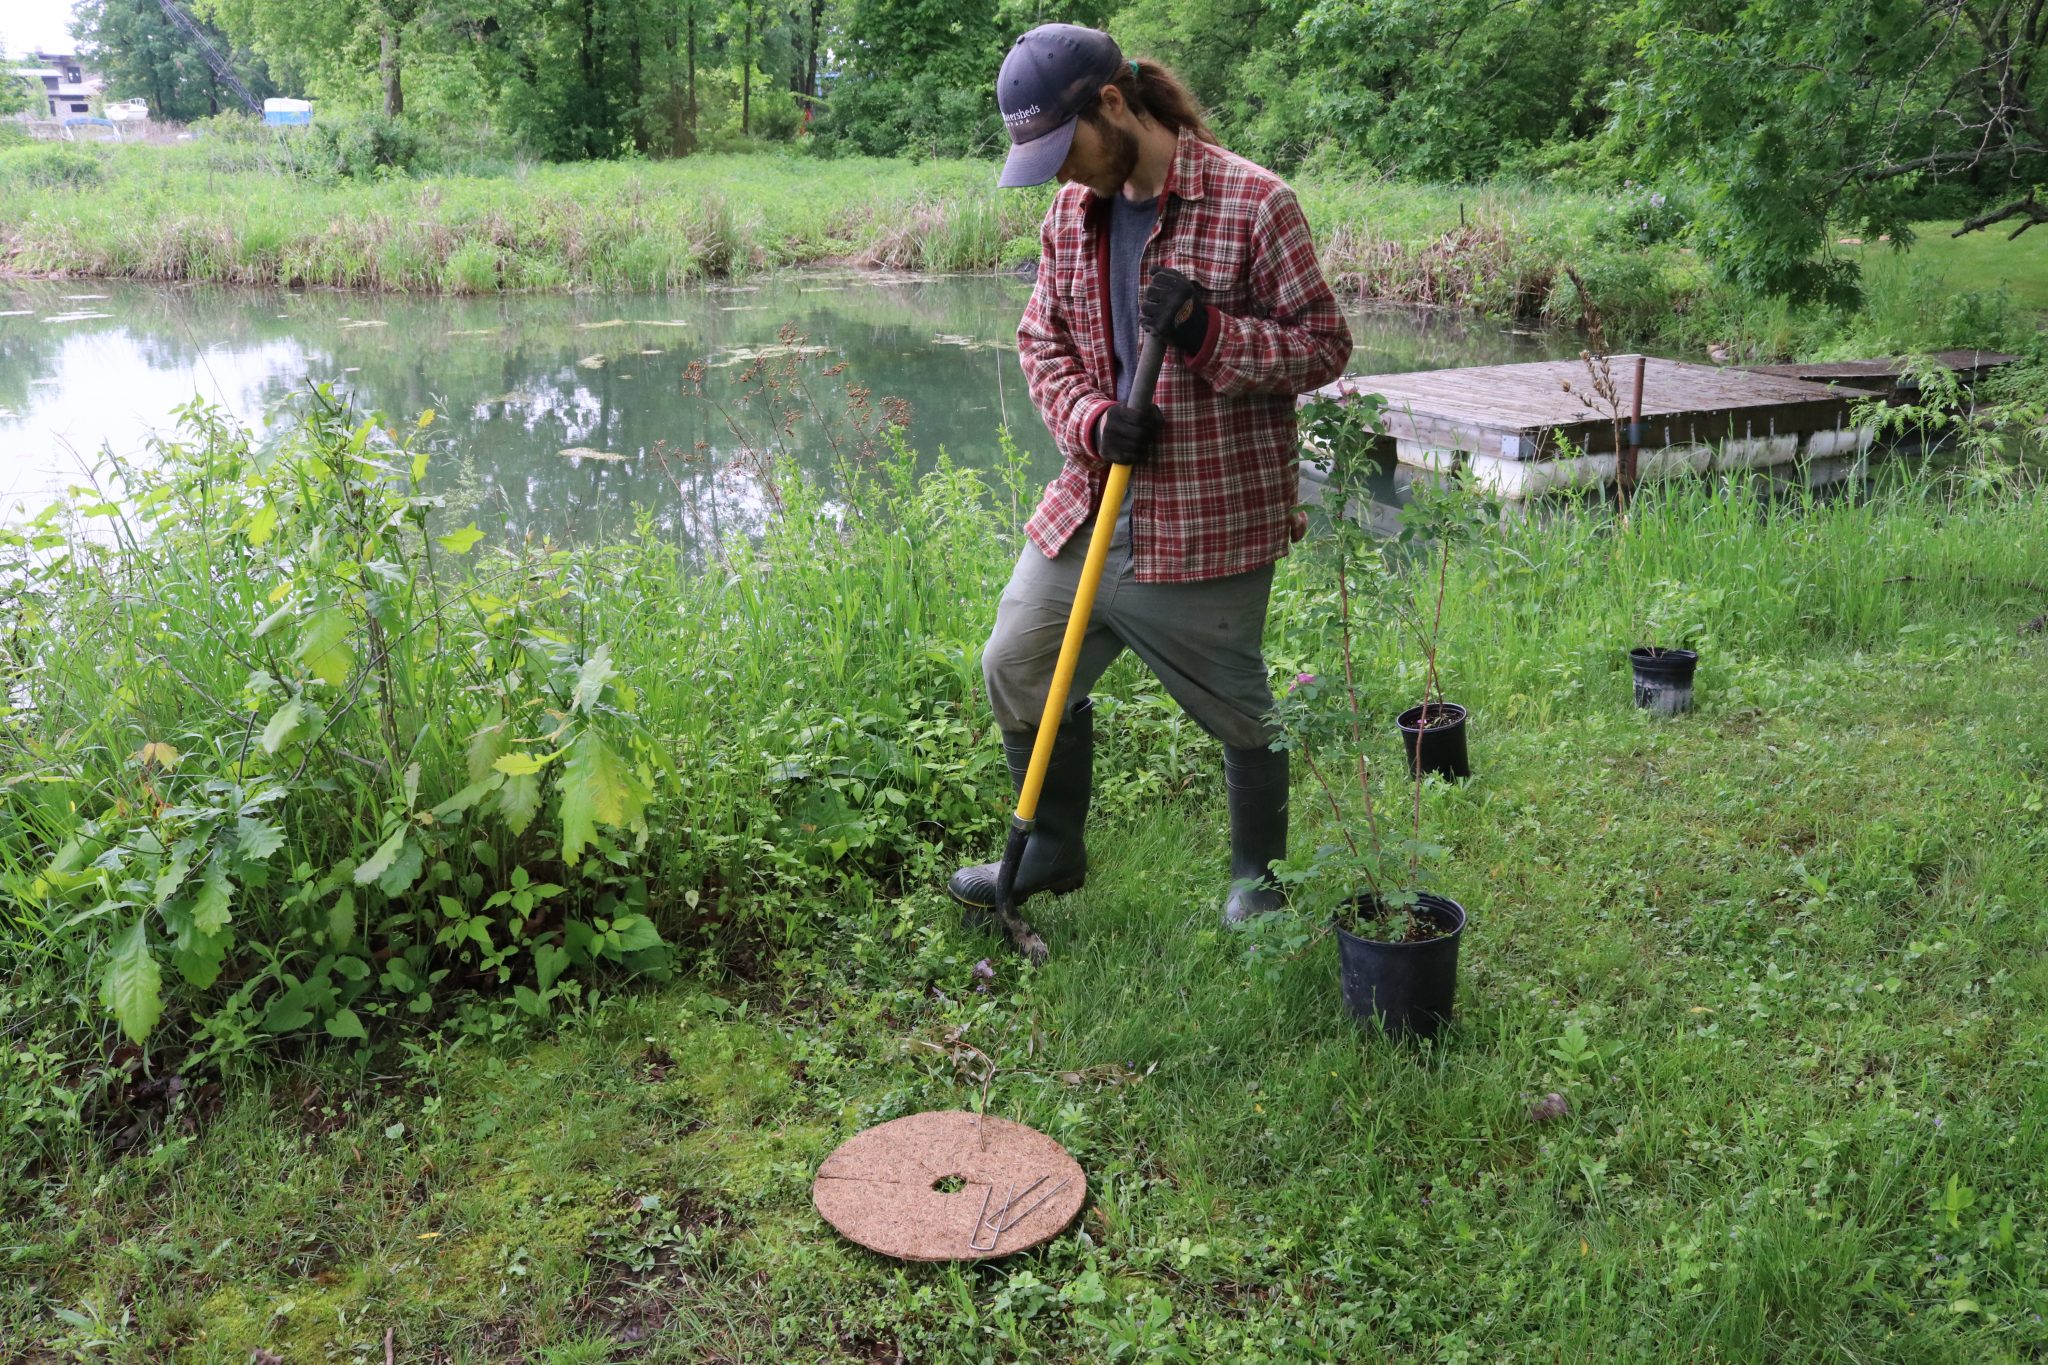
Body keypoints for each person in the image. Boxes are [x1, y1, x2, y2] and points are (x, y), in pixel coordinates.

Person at [947, 23, 1353, 943]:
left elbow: (1324, 347)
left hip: (1207, 518)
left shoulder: (1255, 204)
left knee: (1242, 713)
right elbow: (1040, 342)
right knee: (1015, 661)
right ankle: (1051, 846)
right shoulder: (1071, 215)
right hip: (1094, 503)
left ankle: (1260, 877)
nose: (1059, 177)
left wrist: (1210, 333)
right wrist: (1092, 418)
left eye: (1066, 149)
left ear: (1114, 105)